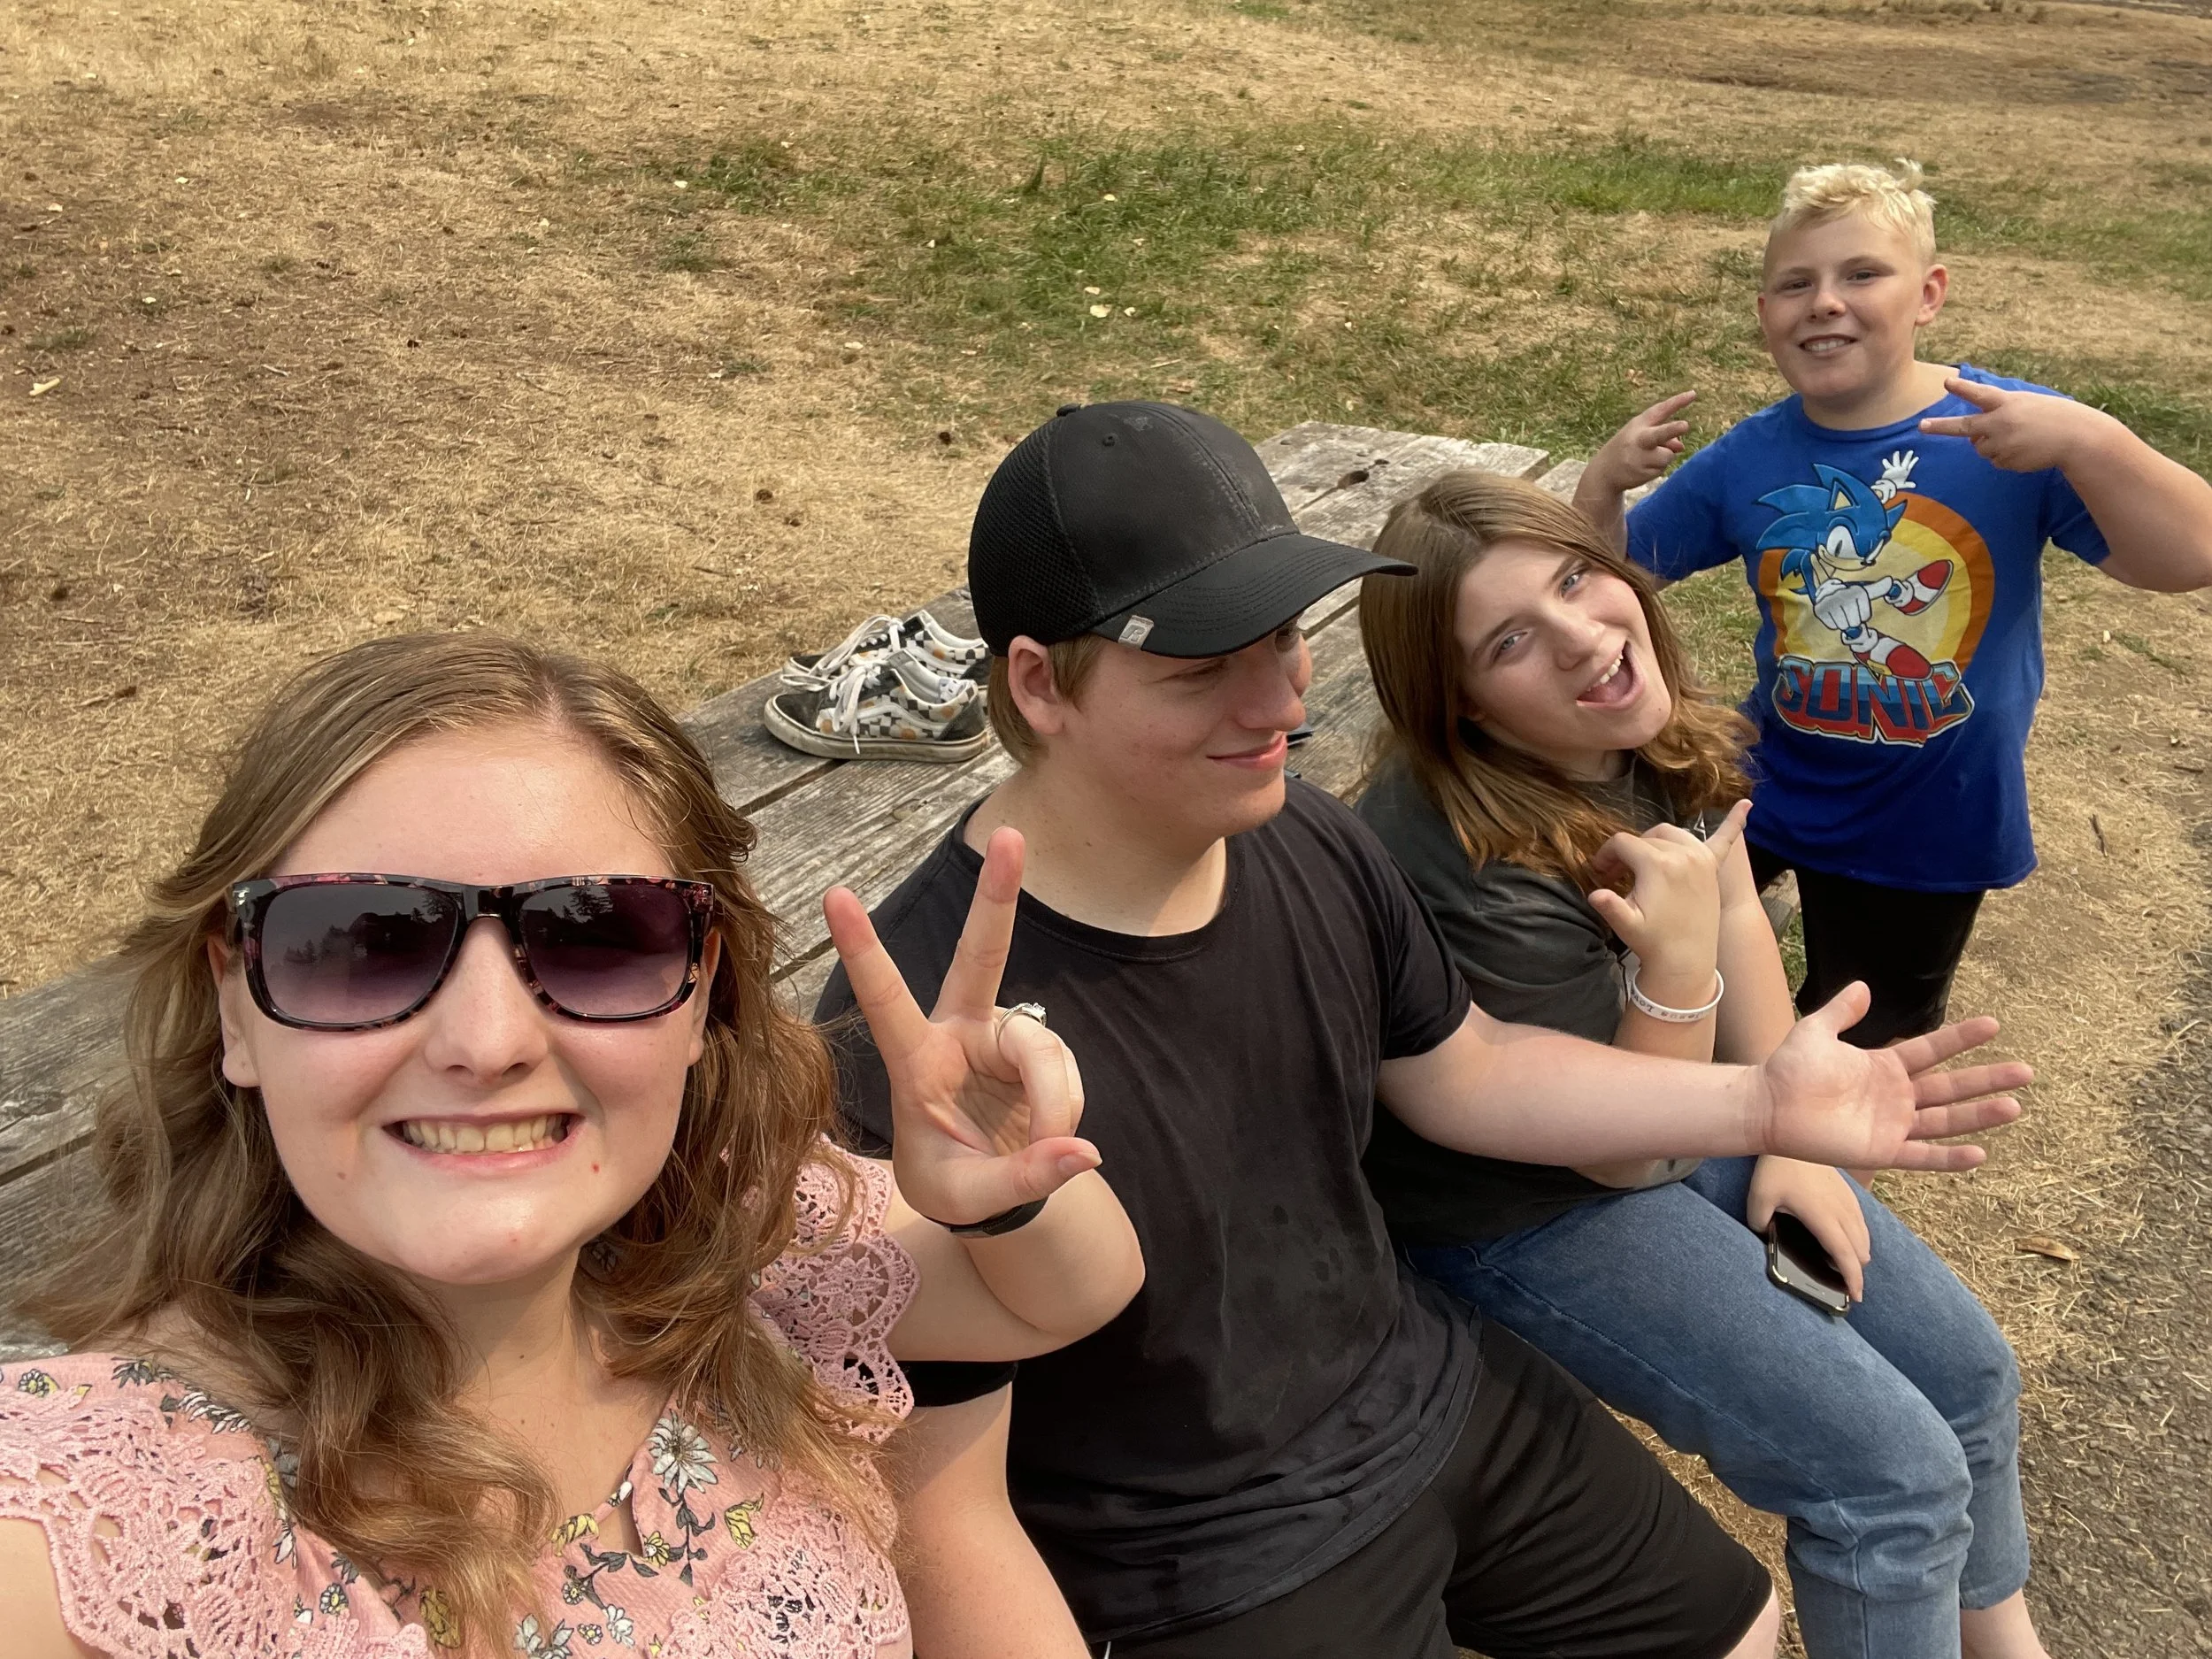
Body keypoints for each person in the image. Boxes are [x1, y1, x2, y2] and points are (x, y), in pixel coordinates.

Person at [818, 400, 2029, 1659]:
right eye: (1199, 665)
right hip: (1199, 1543)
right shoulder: (912, 1015)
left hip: (1424, 1392)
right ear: (1036, 683)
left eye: (1284, 635)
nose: (1277, 700)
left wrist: (1762, 1106)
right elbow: (931, 1468)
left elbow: (1473, 1067)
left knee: (1741, 1623)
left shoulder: (1301, 832)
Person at [0, 633, 1144, 1659]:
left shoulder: (727, 1242)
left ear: (700, 994)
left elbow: (1076, 1292)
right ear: (236, 1003)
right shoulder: (87, 1512)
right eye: (362, 940)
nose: (488, 1038)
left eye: (597, 937)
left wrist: (992, 1186)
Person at [1356, 468, 2049, 1659]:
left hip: (1683, 1115)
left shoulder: (1640, 725)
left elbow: (1730, 901)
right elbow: (1631, 1152)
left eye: (1578, 578)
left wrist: (1788, 1132)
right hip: (1525, 1206)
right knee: (1888, 1478)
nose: (1585, 639)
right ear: (1458, 702)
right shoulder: (1467, 859)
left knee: (1969, 1376)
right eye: (1512, 638)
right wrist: (1673, 972)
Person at [1572, 159, 2212, 1048]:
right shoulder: (1749, 457)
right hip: (1766, 781)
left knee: (1865, 1038)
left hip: (1930, 818)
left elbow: (2190, 557)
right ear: (1764, 318)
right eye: (1795, 283)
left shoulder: (2006, 430)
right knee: (1643, 942)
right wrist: (1602, 487)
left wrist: (2091, 440)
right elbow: (1611, 579)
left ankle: (1820, 1174)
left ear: (1928, 294)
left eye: (1861, 274)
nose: (1825, 302)